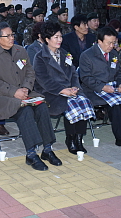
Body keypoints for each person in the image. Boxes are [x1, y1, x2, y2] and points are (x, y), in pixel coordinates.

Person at [0, 22, 61, 171]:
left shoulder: (20, 50)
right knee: (25, 111)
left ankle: (47, 149)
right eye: (8, 36)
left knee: (42, 107)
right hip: (4, 97)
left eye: (12, 35)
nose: (12, 38)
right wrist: (14, 92)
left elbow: (30, 72)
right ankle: (31, 154)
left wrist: (25, 88)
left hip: (25, 92)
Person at [34, 22, 95, 156]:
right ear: (47, 39)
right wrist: (63, 90)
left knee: (82, 100)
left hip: (69, 90)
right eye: (56, 37)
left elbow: (73, 73)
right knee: (70, 103)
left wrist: (75, 88)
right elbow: (44, 81)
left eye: (60, 37)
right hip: (50, 93)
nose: (60, 40)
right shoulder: (39, 57)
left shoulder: (65, 54)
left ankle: (78, 138)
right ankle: (70, 138)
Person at [79, 27, 121, 150]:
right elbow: (86, 78)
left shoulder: (114, 53)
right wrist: (102, 87)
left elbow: (119, 73)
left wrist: (120, 84)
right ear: (99, 42)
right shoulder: (87, 55)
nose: (112, 45)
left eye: (114, 42)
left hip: (112, 88)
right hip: (93, 90)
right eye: (109, 43)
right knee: (115, 105)